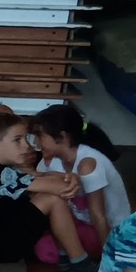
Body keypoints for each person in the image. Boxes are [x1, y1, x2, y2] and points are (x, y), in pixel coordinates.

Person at [0, 112, 94, 272]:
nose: (26, 146)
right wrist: (72, 180)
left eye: (26, 139)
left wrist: (72, 177)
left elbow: (41, 177)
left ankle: (66, 258)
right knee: (52, 198)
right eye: (17, 140)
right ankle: (81, 266)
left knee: (44, 194)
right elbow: (60, 187)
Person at [31, 102, 128, 262]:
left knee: (77, 247)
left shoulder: (88, 163)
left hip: (109, 229)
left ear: (62, 137)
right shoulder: (49, 161)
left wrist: (110, 261)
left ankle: (98, 257)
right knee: (44, 250)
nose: (35, 143)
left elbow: (98, 216)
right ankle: (76, 256)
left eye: (40, 136)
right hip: (80, 224)